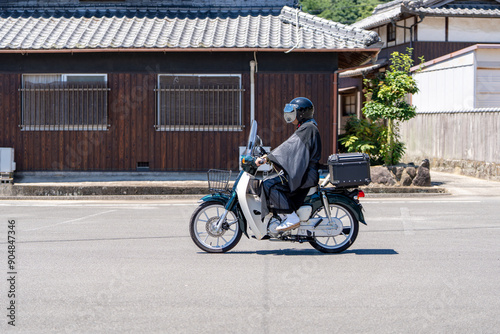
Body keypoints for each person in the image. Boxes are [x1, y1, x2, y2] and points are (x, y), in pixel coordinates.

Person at [256, 97, 322, 232]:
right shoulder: (307, 126)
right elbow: (290, 147)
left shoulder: (308, 128)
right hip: (306, 172)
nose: (291, 116)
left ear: (301, 114)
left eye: (294, 113)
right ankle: (281, 216)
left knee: (269, 185)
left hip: (306, 175)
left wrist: (268, 158)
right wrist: (269, 156)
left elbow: (289, 147)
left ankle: (291, 217)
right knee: (272, 182)